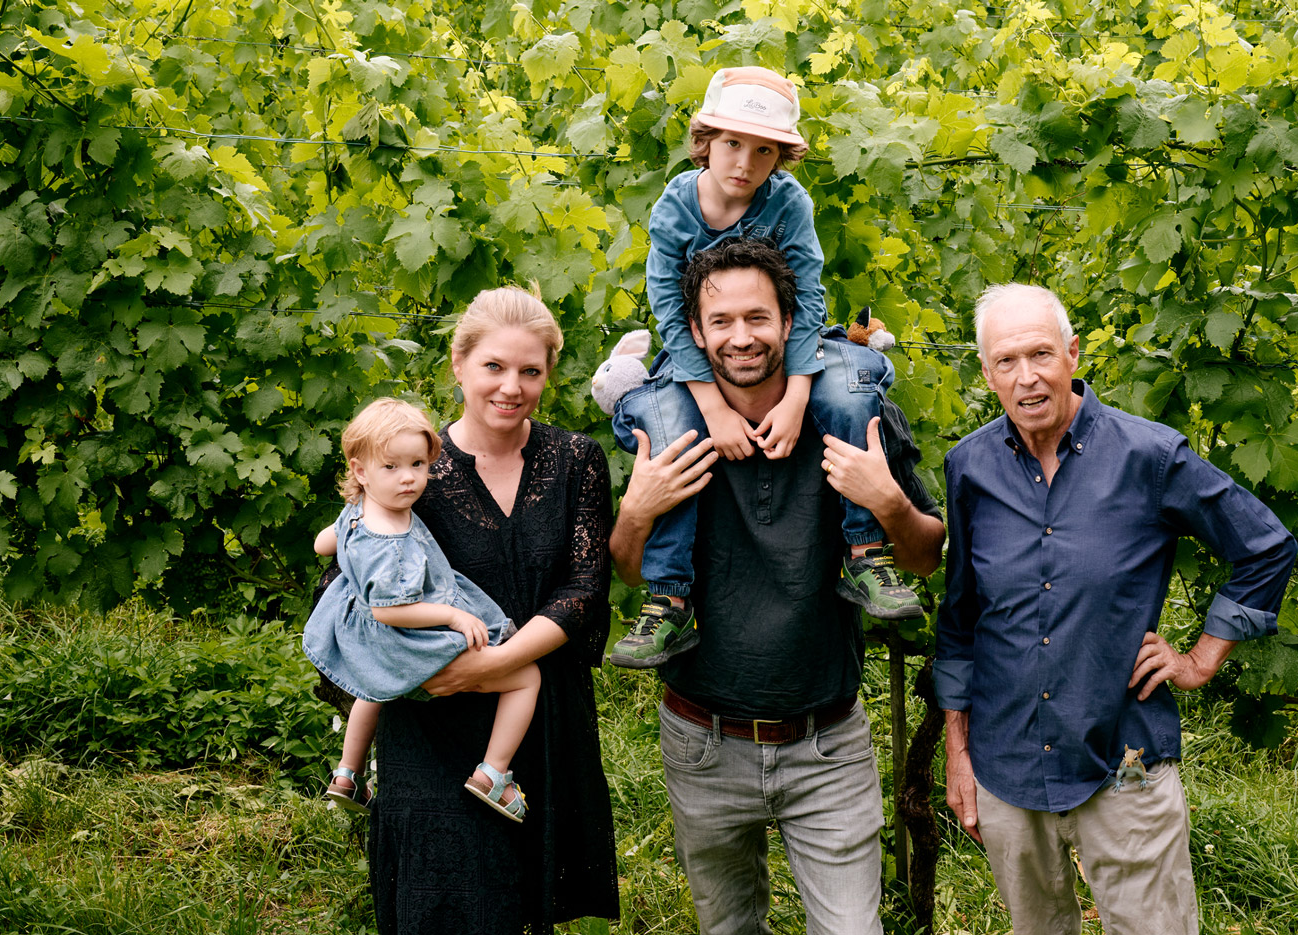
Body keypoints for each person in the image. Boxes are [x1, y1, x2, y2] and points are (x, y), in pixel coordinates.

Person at [936, 283, 1298, 935]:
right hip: (1006, 765)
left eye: (1041, 354)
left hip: (1124, 761)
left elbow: (1265, 546)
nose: (1026, 377)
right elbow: (960, 622)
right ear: (987, 374)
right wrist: (957, 751)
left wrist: (1199, 659)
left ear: (1072, 354)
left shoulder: (1149, 457)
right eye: (1007, 361)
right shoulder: (970, 468)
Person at [609, 238, 945, 934]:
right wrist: (636, 512)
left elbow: (923, 557)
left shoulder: (853, 412)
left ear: (790, 323)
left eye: (758, 317)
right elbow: (630, 569)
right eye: (721, 321)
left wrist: (887, 501)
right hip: (702, 738)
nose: (741, 337)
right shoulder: (669, 426)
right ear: (695, 332)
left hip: (827, 742)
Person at [606, 65, 924, 672]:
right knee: (669, 430)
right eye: (732, 143)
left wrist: (799, 395)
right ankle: (669, 598)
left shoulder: (788, 202)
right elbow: (670, 309)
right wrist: (712, 406)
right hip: (696, 354)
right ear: (705, 141)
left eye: (764, 151)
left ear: (780, 156)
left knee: (851, 397)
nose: (745, 164)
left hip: (794, 344)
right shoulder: (676, 206)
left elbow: (807, 298)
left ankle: (866, 554)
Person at [359, 286, 618, 934]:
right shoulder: (411, 466)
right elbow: (352, 587)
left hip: (539, 713)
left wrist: (497, 663)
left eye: (531, 370)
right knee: (445, 905)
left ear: (548, 374)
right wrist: (425, 669)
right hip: (433, 717)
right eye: (494, 366)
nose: (512, 386)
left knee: (525, 903)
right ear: (459, 364)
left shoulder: (575, 460)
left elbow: (585, 587)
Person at [305, 398, 536, 822]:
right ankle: (493, 773)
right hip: (402, 638)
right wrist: (453, 616)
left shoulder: (359, 510)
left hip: (367, 642)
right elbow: (390, 612)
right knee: (526, 676)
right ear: (360, 471)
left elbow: (323, 544)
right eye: (391, 467)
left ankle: (348, 773)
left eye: (417, 464)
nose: (408, 477)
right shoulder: (392, 542)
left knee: (372, 689)